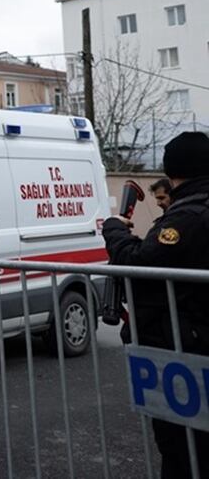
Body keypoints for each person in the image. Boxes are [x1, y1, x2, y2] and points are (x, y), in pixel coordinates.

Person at [103, 132, 209, 478]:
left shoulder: (187, 217)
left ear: (172, 169)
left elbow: (141, 265)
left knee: (182, 448)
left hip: (184, 345)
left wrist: (114, 231)